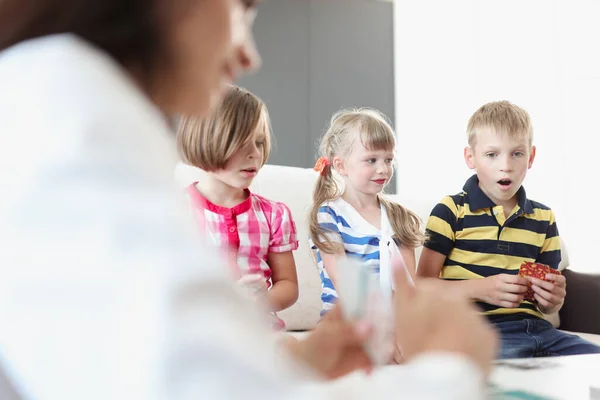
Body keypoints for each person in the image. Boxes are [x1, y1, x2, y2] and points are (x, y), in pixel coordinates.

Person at [0, 1, 497, 399]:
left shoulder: (63, 101)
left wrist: (300, 364)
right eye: (242, 11)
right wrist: (449, 368)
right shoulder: (77, 121)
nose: (248, 55)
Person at [417, 100, 600, 359]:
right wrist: (480, 288)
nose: (506, 165)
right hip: (479, 332)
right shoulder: (451, 211)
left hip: (540, 330)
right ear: (471, 157)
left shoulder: (543, 217)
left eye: (517, 153)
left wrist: (553, 298)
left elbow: (548, 305)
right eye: (492, 155)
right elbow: (422, 286)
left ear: (531, 156)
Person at [177, 85, 299, 329]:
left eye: (260, 142)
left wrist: (258, 302)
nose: (255, 154)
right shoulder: (177, 211)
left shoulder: (273, 215)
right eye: (243, 143)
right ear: (207, 140)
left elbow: (288, 285)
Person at [308, 108, 425, 316]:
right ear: (340, 165)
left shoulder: (399, 218)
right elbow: (343, 280)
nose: (383, 169)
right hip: (347, 324)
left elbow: (407, 283)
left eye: (388, 160)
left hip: (393, 323)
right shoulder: (328, 215)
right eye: (371, 160)